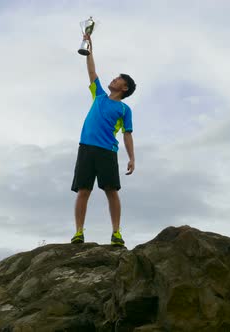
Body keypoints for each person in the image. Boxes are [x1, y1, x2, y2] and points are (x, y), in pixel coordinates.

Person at [70, 33, 136, 247]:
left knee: (111, 191)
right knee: (83, 190)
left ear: (124, 88)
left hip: (107, 151)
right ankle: (78, 232)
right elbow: (91, 71)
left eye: (118, 79)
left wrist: (132, 158)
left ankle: (116, 233)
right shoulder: (98, 95)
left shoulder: (124, 109)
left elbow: (127, 134)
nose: (114, 79)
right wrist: (89, 46)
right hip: (86, 148)